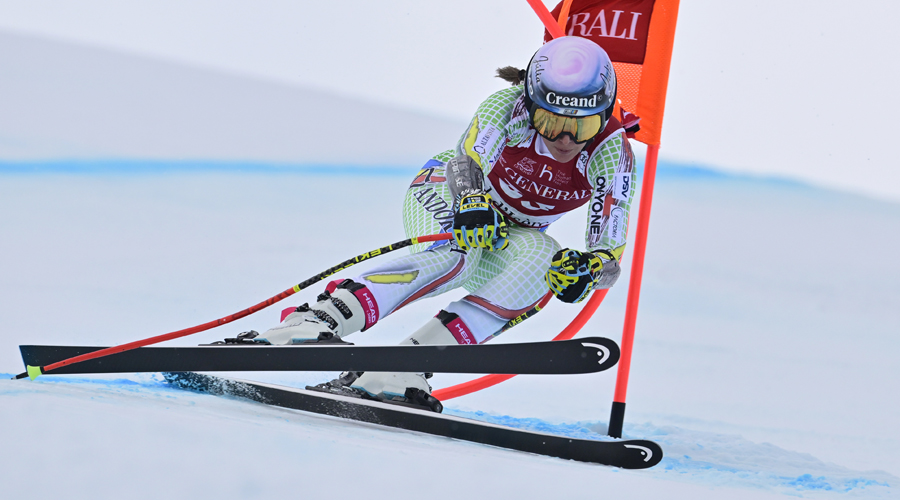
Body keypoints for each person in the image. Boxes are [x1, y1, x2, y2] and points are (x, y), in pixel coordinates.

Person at [254, 36, 636, 410]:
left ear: (603, 117)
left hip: (512, 233)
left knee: (543, 264)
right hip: (449, 192)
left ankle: (402, 371)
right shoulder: (508, 106)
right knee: (458, 253)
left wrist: (588, 271)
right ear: (530, 102)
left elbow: (610, 253)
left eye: (581, 126)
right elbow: (465, 162)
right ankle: (314, 320)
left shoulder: (611, 152)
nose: (566, 138)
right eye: (550, 122)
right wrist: (471, 203)